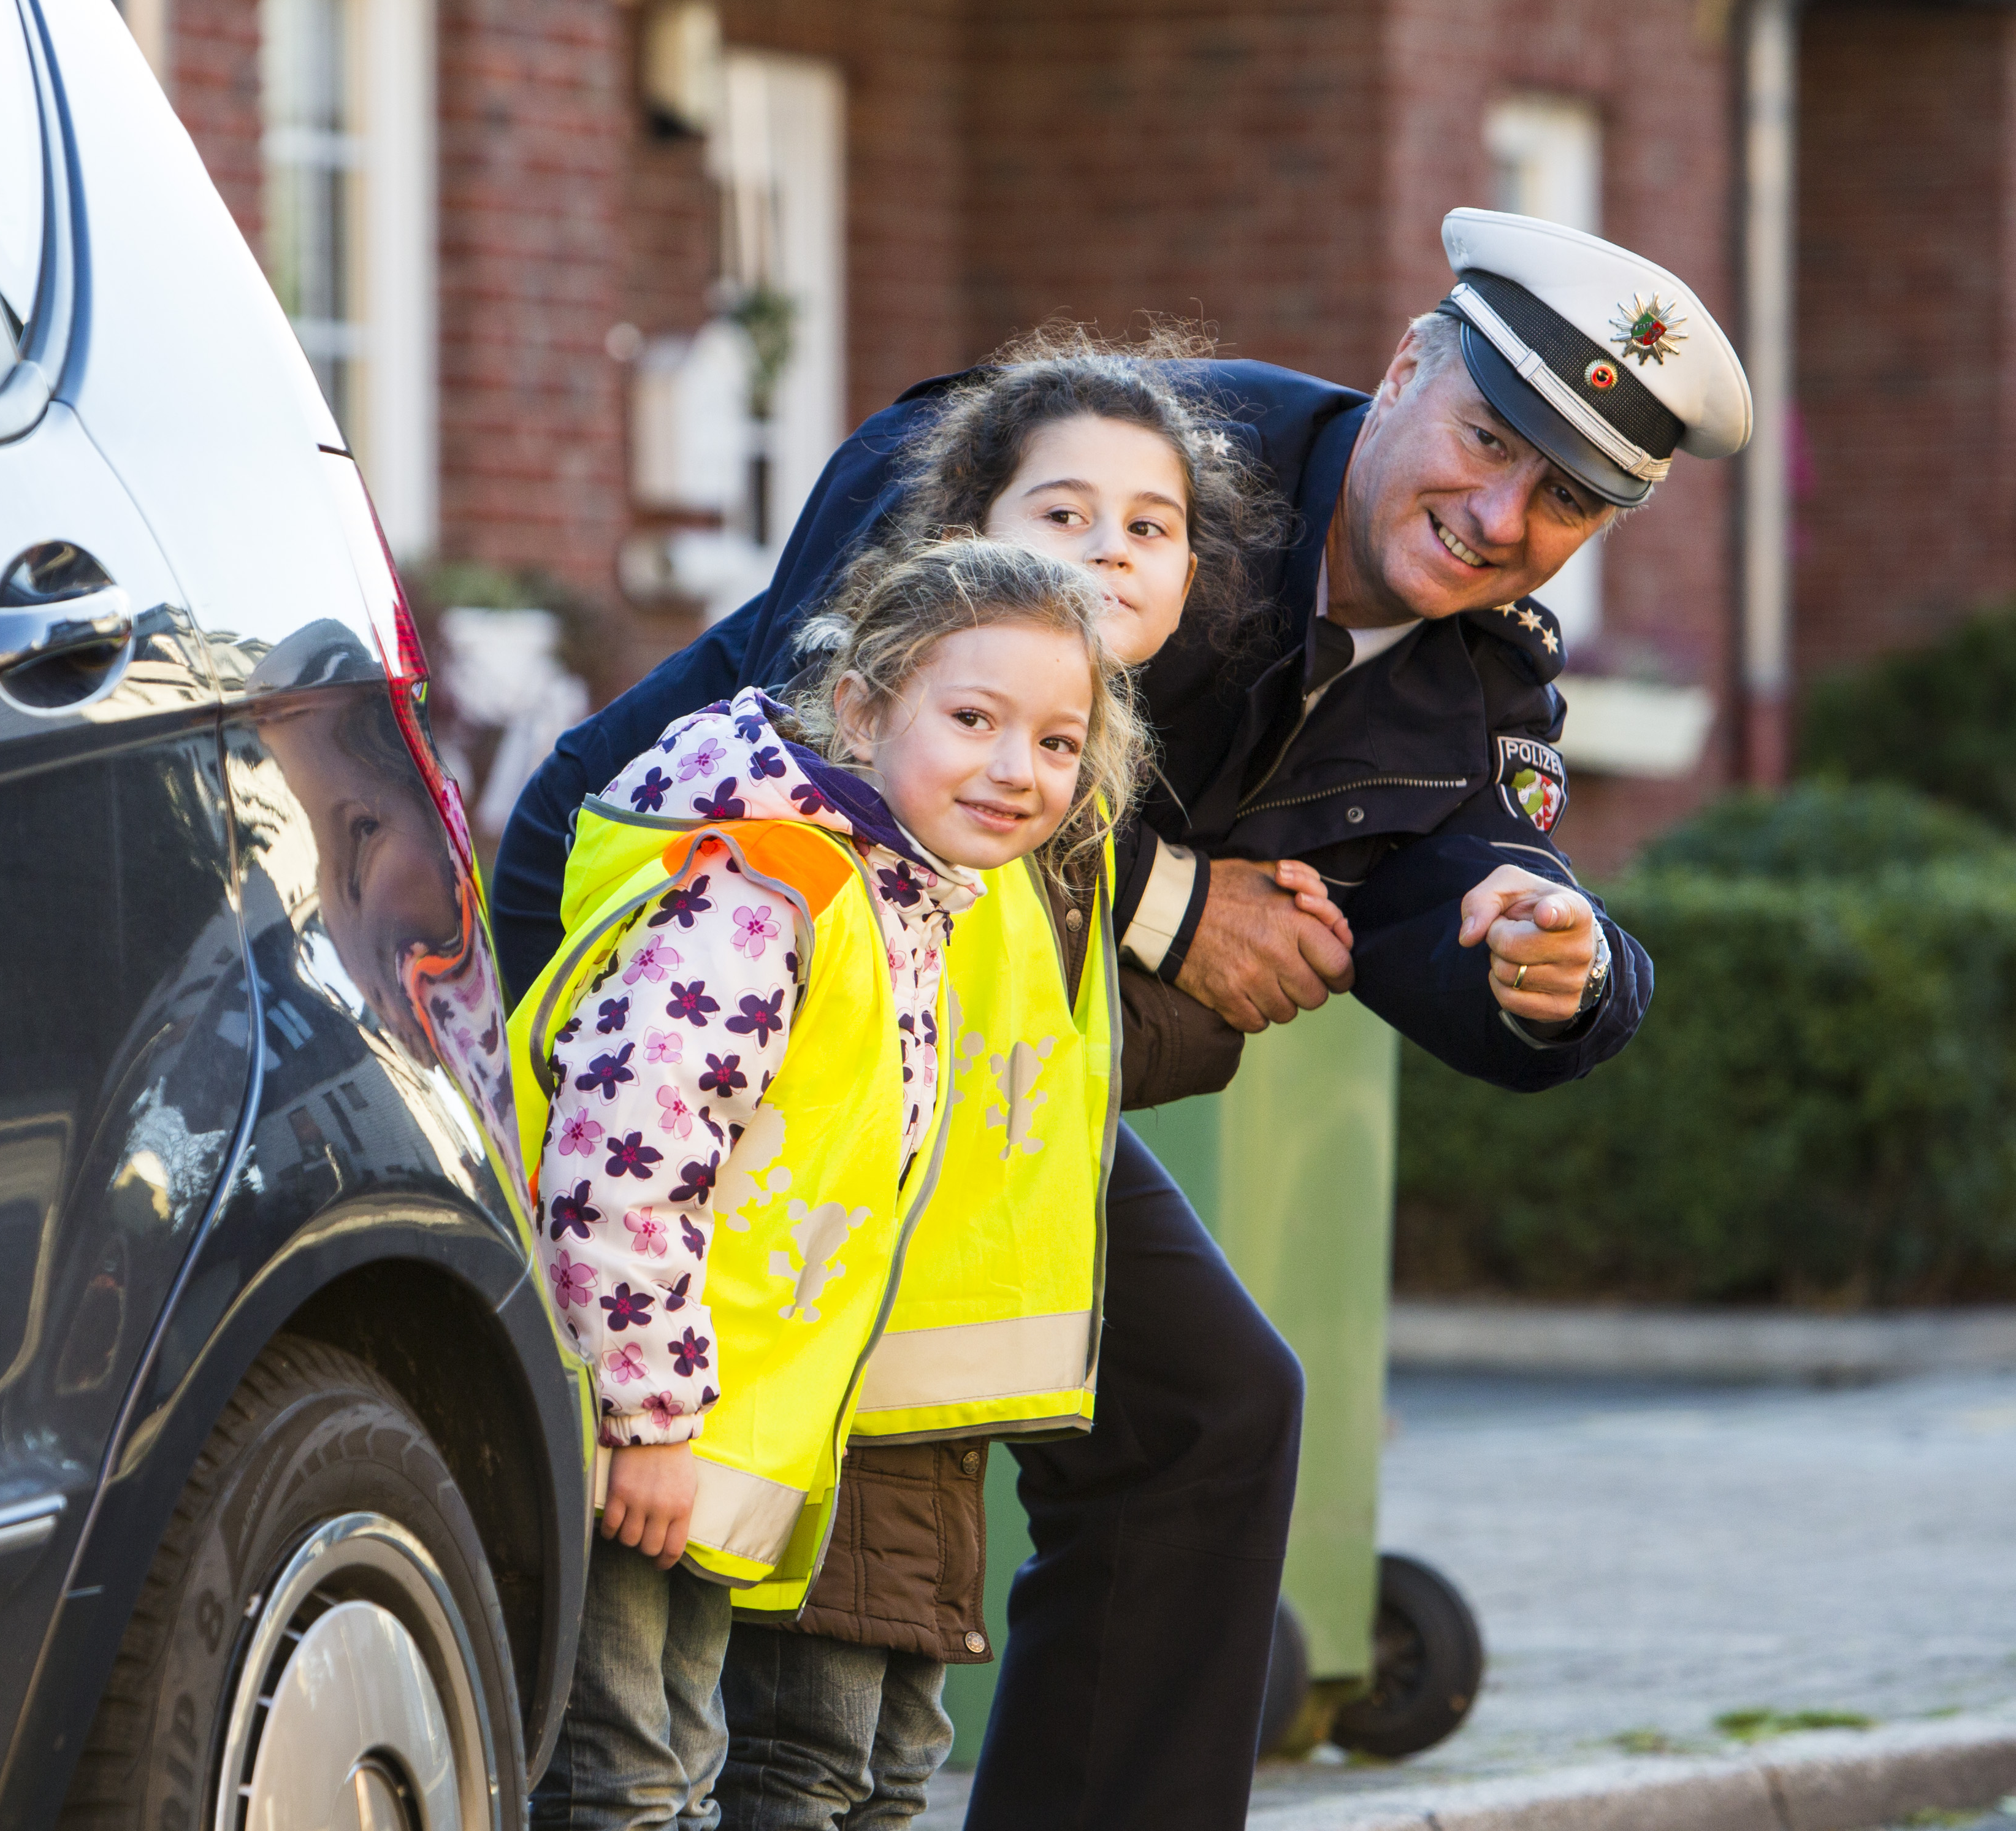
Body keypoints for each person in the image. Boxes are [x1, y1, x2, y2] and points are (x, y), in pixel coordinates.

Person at [499, 210, 1755, 1829]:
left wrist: (1563, 964)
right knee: (673, 1487)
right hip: (704, 978)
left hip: (970, 1058)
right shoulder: (1093, 465)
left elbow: (1457, 895)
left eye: (1565, 499)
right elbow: (866, 740)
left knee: (1210, 1415)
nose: (1500, 514)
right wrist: (1177, 908)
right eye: (1486, 438)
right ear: (1398, 372)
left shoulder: (1474, 676)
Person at [711, 333, 1341, 1831]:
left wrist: (1265, 956)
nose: (1110, 552)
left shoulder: (1055, 782)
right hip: (823, 1372)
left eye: (1151, 525)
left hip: (934, 1401)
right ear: (962, 532)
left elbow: (1059, 1055)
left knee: (874, 1769)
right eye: (1062, 515)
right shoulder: (908, 784)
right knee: (787, 1767)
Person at [516, 538, 1147, 1831]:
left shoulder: (903, 897)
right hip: (637, 1423)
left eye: (1054, 739)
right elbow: (623, 1158)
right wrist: (646, 1419)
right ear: (860, 706)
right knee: (622, 1781)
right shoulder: (767, 896)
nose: (1015, 768)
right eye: (972, 719)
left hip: (701, 1437)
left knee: (670, 1766)